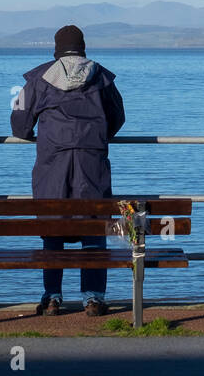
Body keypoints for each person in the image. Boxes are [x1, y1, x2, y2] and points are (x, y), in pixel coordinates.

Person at [11, 25, 125, 316]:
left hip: (53, 165)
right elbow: (118, 117)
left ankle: (52, 296)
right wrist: (95, 136)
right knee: (94, 226)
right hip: (91, 163)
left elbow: (19, 124)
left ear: (57, 47)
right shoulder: (101, 77)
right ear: (82, 47)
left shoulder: (37, 79)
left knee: (53, 227)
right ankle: (94, 298)